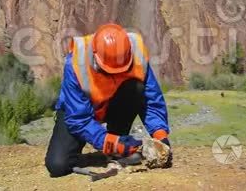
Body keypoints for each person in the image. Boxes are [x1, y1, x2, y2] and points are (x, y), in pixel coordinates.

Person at [45, 23, 171, 177]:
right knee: (57, 165)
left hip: (115, 105)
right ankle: (116, 146)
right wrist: (111, 143)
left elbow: (152, 98)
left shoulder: (137, 52)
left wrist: (160, 135)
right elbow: (78, 119)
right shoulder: (75, 64)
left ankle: (117, 145)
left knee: (137, 87)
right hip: (80, 112)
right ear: (96, 57)